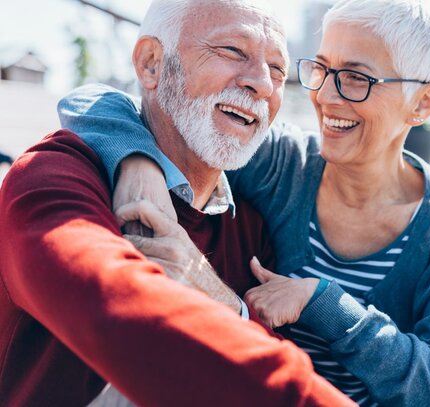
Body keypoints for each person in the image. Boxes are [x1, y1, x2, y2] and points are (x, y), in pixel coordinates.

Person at [58, 0, 430, 406]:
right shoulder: (283, 163)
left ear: (422, 103)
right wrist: (139, 161)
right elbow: (97, 103)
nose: (326, 96)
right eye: (321, 69)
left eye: (356, 79)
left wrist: (324, 303)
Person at [0, 0, 355, 406]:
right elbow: (122, 312)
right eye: (232, 51)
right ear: (151, 64)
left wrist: (221, 297)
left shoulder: (251, 229)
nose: (263, 83)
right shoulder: (54, 179)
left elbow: (254, 348)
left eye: (277, 69)